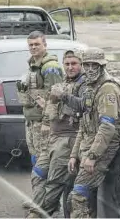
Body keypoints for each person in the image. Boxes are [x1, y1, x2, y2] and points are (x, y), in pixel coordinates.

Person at [50, 47, 120, 218]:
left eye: (95, 65)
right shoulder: (90, 88)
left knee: (78, 197)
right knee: (77, 195)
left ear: (102, 66)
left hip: (102, 149)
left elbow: (107, 127)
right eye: (87, 65)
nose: (91, 69)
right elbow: (85, 125)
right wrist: (74, 154)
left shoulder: (107, 89)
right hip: (88, 146)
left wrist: (92, 156)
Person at [31, 49, 87, 218]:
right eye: (67, 64)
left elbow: (85, 106)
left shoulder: (85, 85)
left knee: (55, 182)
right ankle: (40, 208)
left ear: (82, 65)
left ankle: (39, 214)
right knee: (38, 174)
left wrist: (63, 96)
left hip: (69, 139)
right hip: (52, 138)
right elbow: (50, 110)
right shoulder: (63, 81)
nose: (70, 67)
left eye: (74, 64)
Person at [16, 31, 63, 217]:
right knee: (36, 160)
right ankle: (38, 199)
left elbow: (55, 98)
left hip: (43, 125)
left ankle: (47, 207)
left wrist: (46, 122)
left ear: (45, 44)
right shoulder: (33, 65)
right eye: (31, 45)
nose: (34, 47)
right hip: (32, 122)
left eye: (37, 44)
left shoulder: (50, 67)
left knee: (44, 166)